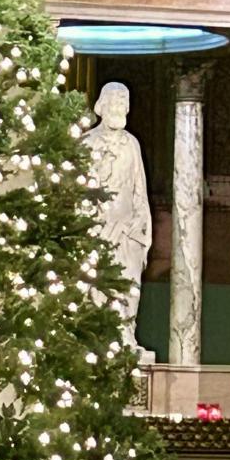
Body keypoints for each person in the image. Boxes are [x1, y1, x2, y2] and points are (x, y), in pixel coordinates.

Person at [82, 81, 152, 355]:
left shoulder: (131, 144)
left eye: (123, 103)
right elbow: (80, 190)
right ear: (102, 106)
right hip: (97, 229)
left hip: (127, 232)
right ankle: (97, 336)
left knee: (128, 284)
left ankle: (125, 336)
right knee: (96, 286)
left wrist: (139, 225)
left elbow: (139, 188)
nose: (119, 107)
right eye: (114, 103)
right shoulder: (87, 143)